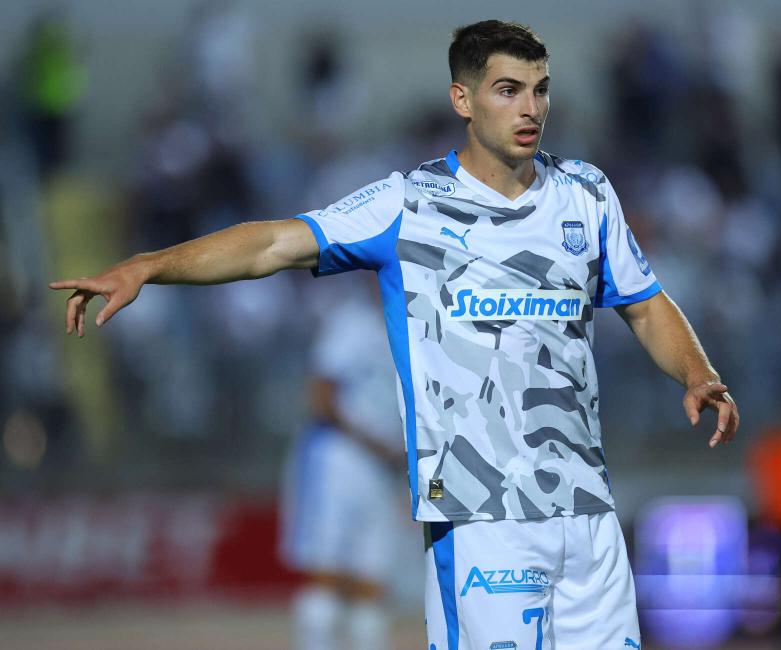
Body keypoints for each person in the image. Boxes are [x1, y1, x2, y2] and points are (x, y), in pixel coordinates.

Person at [51, 20, 740, 650]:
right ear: (462, 99)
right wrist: (149, 266)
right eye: (508, 90)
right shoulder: (408, 204)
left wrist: (697, 373)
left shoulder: (586, 194)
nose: (530, 108)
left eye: (540, 89)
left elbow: (645, 304)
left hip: (589, 514)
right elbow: (273, 244)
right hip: (482, 517)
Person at [279, 277, 404, 650]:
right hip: (338, 458)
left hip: (384, 468)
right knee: (327, 573)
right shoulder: (351, 323)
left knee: (372, 579)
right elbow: (321, 396)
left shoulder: (408, 323)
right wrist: (373, 443)